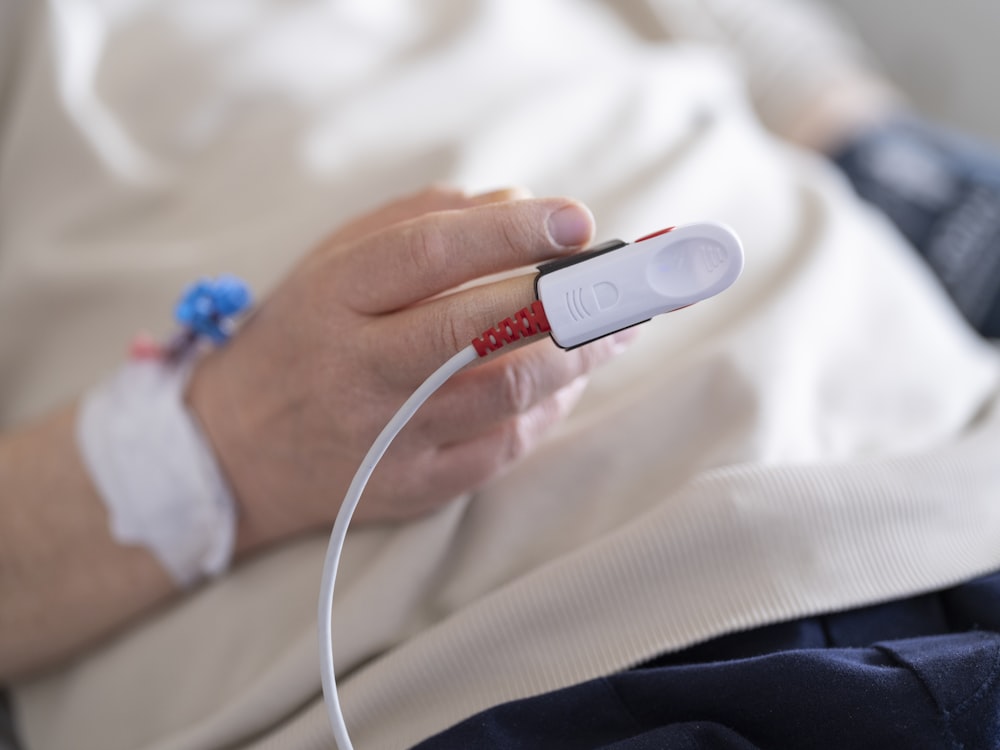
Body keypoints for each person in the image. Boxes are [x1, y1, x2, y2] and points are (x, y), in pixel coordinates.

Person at [1, 1, 999, 748]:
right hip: (512, 675)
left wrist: (890, 158)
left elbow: (776, 63)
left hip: (951, 474)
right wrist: (219, 446)